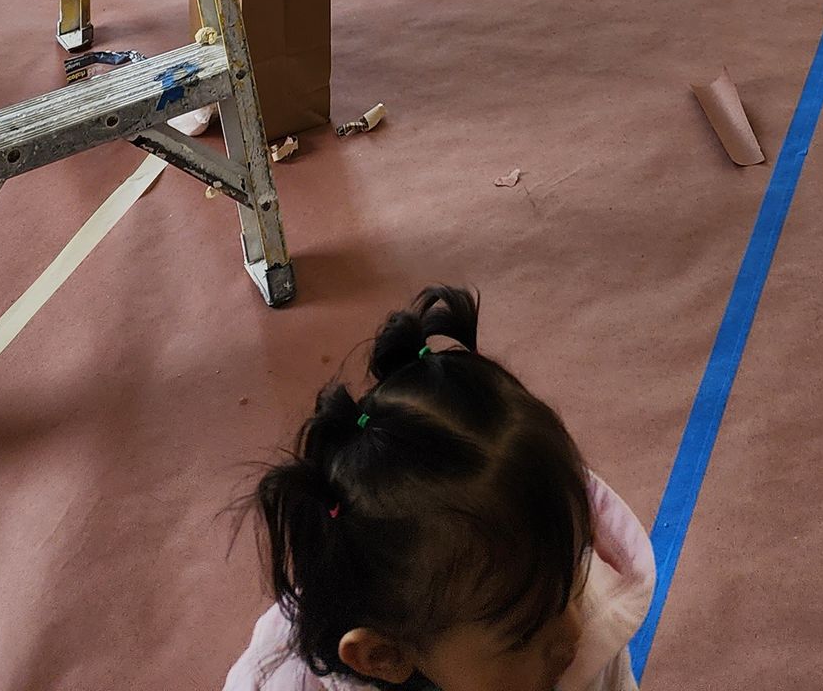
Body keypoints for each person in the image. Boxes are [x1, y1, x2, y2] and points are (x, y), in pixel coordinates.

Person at [228, 285, 654, 691]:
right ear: (385, 657)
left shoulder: (546, 584)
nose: (575, 632)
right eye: (523, 635)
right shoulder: (276, 682)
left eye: (575, 567)